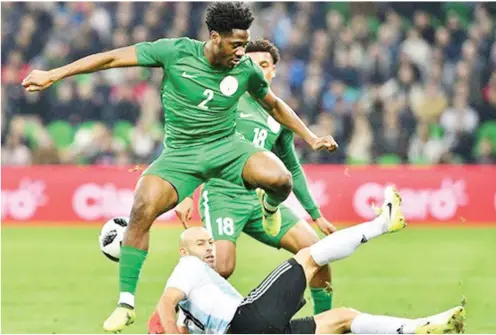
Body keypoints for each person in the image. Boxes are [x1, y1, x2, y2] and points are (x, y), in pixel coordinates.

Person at [21, 2, 338, 332]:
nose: (241, 51)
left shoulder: (244, 69)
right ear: (215, 37)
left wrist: (311, 138)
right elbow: (112, 58)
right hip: (181, 155)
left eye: (245, 44)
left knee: (280, 178)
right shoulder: (174, 52)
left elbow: (273, 104)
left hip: (226, 148)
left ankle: (270, 210)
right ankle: (126, 303)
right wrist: (55, 74)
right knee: (143, 205)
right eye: (236, 44)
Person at [148, 187, 465, 334]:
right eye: (200, 243)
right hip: (245, 322)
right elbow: (166, 302)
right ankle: (384, 223)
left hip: (254, 330)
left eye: (209, 241)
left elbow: (175, 319)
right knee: (309, 257)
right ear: (183, 251)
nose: (210, 248)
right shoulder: (187, 267)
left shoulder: (195, 306)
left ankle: (419, 328)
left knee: (341, 319)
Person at [174, 39, 335, 315]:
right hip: (222, 193)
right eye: (252, 64)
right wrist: (186, 192)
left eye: (264, 65)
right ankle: (180, 312)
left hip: (259, 201)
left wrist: (316, 214)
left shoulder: (278, 115)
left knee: (317, 253)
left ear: (273, 71)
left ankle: (324, 325)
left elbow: (292, 168)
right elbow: (197, 144)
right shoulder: (227, 101)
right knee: (222, 266)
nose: (258, 70)